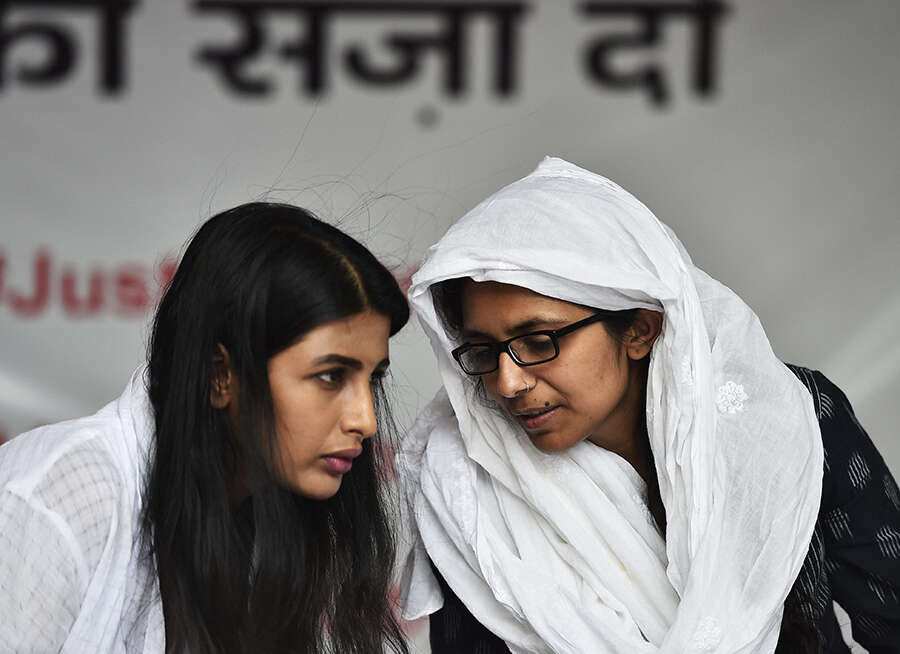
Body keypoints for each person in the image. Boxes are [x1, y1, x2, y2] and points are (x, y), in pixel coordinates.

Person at [397, 158, 900, 653]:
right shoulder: (466, 489)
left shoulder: (786, 416)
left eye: (539, 340)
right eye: (483, 351)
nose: (507, 382)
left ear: (639, 329)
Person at [0, 202, 412, 654]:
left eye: (373, 380)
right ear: (220, 375)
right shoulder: (62, 498)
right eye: (331, 376)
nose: (366, 420)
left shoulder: (269, 518)